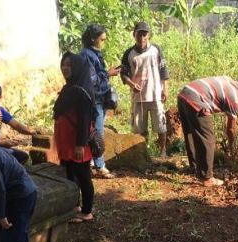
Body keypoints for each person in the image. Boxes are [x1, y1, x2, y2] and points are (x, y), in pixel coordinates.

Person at [177, 77, 238, 187]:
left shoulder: (228, 80)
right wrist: (232, 145)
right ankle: (207, 177)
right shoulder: (234, 95)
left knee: (190, 133)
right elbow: (231, 129)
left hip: (183, 95)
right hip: (197, 99)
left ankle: (195, 168)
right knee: (208, 139)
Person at [54, 52, 96, 223]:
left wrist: (80, 145)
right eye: (64, 64)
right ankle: (75, 205)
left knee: (83, 175)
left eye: (70, 65)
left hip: (77, 143)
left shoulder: (81, 91)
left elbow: (84, 120)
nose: (66, 68)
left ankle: (87, 211)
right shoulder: (70, 87)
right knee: (69, 173)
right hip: (66, 143)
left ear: (78, 67)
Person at [121, 21, 170, 157]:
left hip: (155, 94)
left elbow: (163, 70)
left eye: (144, 34)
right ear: (134, 35)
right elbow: (124, 74)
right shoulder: (129, 54)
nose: (142, 38)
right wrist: (132, 84)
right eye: (139, 34)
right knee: (139, 128)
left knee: (160, 125)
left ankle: (163, 152)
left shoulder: (156, 50)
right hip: (138, 97)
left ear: (149, 35)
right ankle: (143, 154)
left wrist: (165, 89)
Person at [80, 24, 121, 179]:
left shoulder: (93, 53)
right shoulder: (87, 55)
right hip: (94, 98)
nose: (103, 42)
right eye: (101, 40)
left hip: (99, 97)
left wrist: (106, 73)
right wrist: (108, 73)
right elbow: (92, 79)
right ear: (93, 39)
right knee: (97, 133)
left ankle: (90, 162)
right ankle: (100, 166)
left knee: (94, 131)